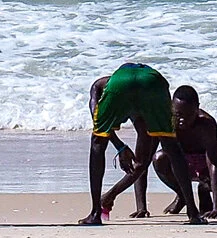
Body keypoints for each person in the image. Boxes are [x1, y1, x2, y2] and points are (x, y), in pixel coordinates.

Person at [82, 63, 204, 225]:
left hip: (122, 83)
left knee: (97, 143)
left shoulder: (100, 86)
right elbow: (143, 160)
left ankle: (95, 213)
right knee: (172, 147)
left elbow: (98, 125)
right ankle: (193, 212)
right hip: (154, 84)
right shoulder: (143, 112)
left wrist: (120, 146)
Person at [166, 85, 217, 217]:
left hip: (204, 165)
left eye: (189, 115)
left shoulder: (206, 124)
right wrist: (141, 206)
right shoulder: (166, 121)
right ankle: (182, 195)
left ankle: (204, 190)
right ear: (172, 107)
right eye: (178, 114)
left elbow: (214, 163)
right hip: (181, 164)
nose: (182, 120)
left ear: (197, 108)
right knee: (159, 159)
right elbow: (145, 158)